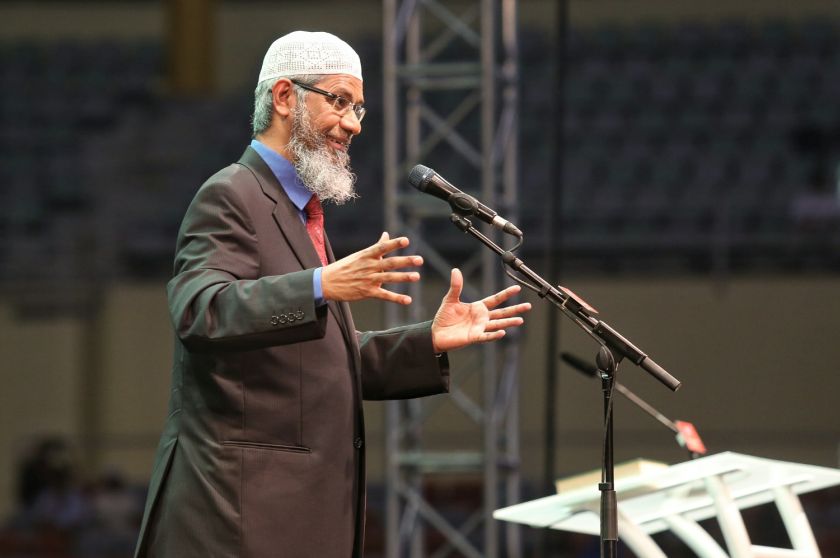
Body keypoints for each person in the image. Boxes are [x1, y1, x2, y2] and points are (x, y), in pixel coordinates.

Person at [133, 30, 530, 558]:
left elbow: (317, 362)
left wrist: (427, 342)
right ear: (282, 97)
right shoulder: (231, 194)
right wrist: (320, 284)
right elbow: (200, 312)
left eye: (359, 108)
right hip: (236, 516)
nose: (352, 124)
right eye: (339, 101)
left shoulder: (298, 212)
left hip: (293, 514)